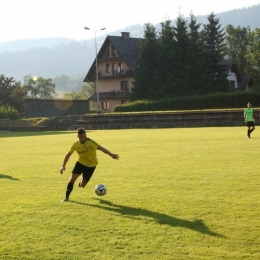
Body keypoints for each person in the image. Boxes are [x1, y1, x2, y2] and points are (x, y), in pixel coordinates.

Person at [60, 127, 119, 202]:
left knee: (82, 185)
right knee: (72, 179)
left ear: (86, 135)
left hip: (91, 166)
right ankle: (66, 197)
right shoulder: (75, 144)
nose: (82, 138)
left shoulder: (90, 142)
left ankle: (82, 179)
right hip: (80, 163)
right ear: (78, 136)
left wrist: (111, 155)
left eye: (84, 136)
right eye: (80, 137)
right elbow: (68, 154)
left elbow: (101, 148)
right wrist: (63, 166)